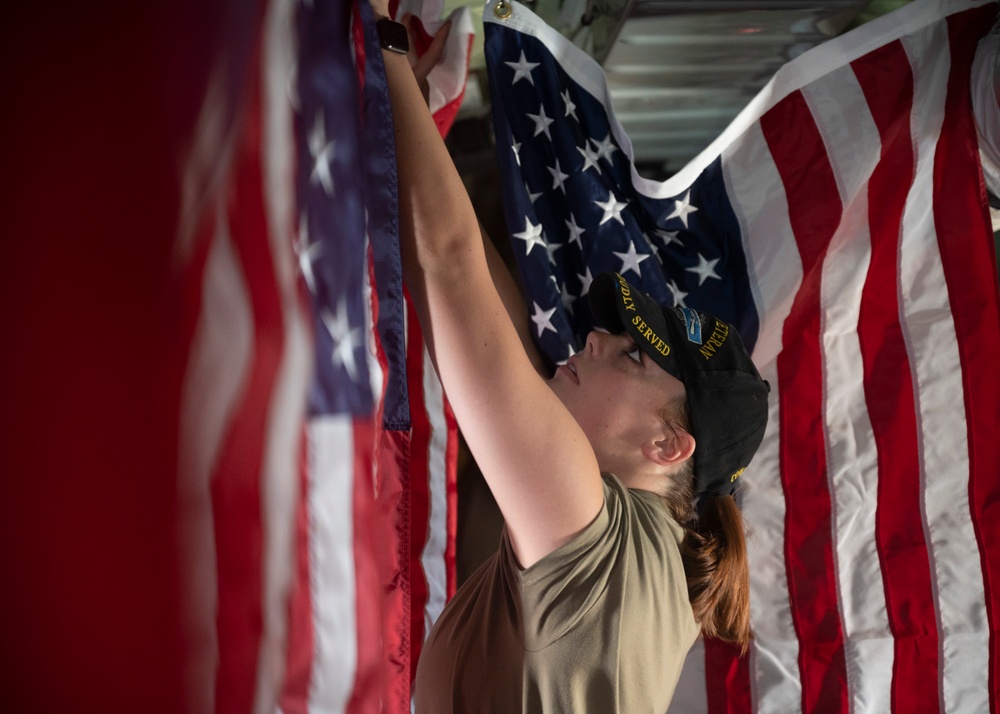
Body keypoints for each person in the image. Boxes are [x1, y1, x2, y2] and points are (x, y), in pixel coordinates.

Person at [373, 8, 769, 711]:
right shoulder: (635, 552)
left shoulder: (602, 542)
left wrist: (381, 40)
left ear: (669, 443)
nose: (597, 338)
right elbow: (494, 330)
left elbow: (449, 261)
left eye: (637, 358)